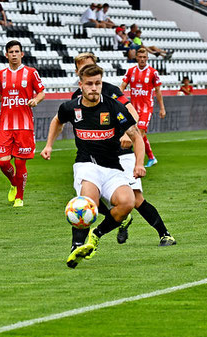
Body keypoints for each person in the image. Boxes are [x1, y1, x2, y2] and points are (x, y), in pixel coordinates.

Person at [40, 64, 146, 269]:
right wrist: (49, 146)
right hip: (86, 164)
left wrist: (139, 164)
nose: (94, 88)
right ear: (81, 85)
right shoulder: (70, 107)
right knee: (88, 202)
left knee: (127, 203)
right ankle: (76, 247)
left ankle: (95, 236)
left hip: (113, 168)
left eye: (97, 83)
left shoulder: (114, 107)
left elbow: (136, 136)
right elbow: (57, 121)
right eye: (89, 84)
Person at [71, 53, 176, 248]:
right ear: (78, 73)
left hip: (123, 152)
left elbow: (131, 111)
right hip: (98, 158)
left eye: (89, 65)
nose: (86, 69)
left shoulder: (110, 90)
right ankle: (117, 220)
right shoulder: (76, 97)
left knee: (135, 198)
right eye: (81, 67)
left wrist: (128, 133)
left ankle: (164, 234)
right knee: (92, 197)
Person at [0, 40, 46, 207]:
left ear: (22, 54)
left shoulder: (31, 73)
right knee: (3, 162)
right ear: (6, 55)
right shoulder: (2, 74)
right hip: (5, 124)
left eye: (16, 51)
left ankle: (20, 197)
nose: (14, 54)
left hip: (24, 125)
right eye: (11, 52)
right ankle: (14, 183)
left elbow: (41, 92)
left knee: (19, 162)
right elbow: (0, 94)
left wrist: (35, 100)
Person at [119, 48, 166, 168]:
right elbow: (122, 86)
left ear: (147, 58)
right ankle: (151, 157)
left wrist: (162, 108)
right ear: (136, 58)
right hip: (133, 109)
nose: (142, 59)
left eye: (144, 57)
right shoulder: (130, 71)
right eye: (140, 57)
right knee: (138, 134)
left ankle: (135, 162)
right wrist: (117, 101)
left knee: (138, 132)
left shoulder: (153, 72)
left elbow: (158, 91)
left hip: (146, 108)